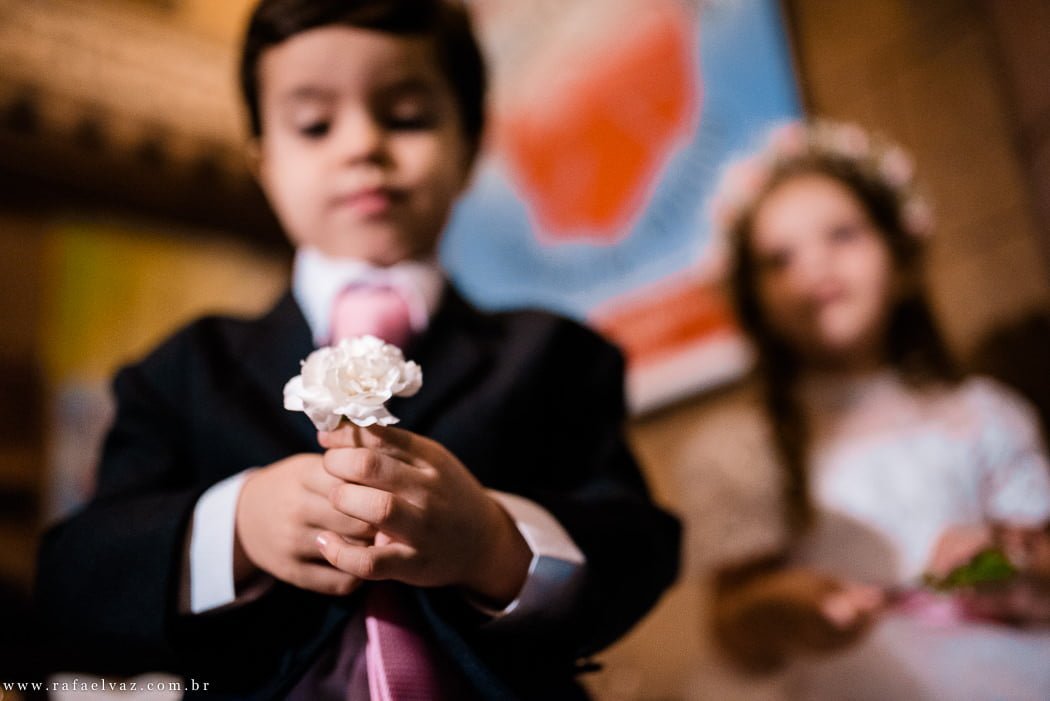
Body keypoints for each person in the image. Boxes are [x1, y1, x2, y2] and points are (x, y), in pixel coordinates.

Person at [34, 2, 681, 698]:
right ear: (265, 165)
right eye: (314, 125)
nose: (361, 145)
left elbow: (638, 546)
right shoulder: (185, 370)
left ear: (469, 148)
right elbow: (77, 575)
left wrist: (492, 543)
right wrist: (238, 526)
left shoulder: (557, 355)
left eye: (406, 116)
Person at [704, 119, 1050, 700]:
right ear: (754, 302)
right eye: (778, 259)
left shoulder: (982, 415)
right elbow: (731, 631)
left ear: (902, 257)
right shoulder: (743, 451)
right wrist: (774, 607)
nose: (813, 266)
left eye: (841, 235)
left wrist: (1004, 561)